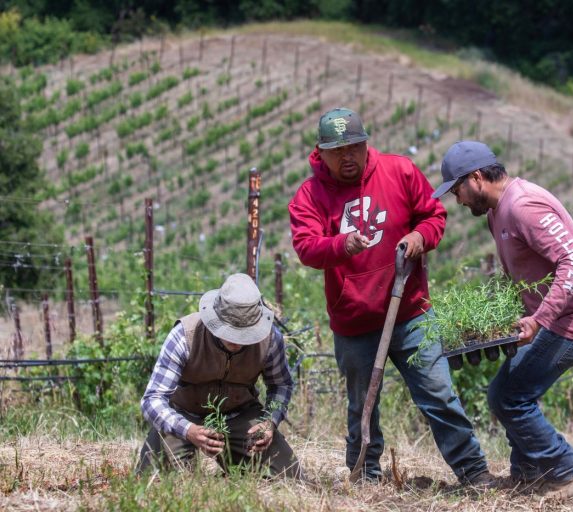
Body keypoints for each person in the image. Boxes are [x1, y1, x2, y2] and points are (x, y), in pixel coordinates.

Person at [288, 108, 491, 485]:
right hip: (354, 322)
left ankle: (474, 473)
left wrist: (419, 237)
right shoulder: (310, 195)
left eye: (354, 147)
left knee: (439, 395)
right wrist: (341, 244)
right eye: (337, 150)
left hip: (410, 312)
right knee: (361, 408)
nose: (347, 156)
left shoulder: (399, 171)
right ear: (320, 152)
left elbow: (433, 217)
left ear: (366, 144)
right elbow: (306, 247)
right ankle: (364, 476)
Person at [433, 141, 573, 499]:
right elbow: (524, 273)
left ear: (477, 178)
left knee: (510, 396)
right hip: (552, 320)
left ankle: (565, 473)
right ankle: (529, 474)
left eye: (458, 190)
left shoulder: (523, 206)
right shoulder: (498, 211)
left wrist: (539, 318)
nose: (459, 200)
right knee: (507, 393)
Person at [136, 273, 301, 478]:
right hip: (184, 415)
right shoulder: (184, 335)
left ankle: (238, 467)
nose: (236, 341)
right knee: (153, 480)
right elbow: (152, 400)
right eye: (230, 332)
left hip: (240, 414)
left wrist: (269, 422)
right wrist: (187, 429)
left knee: (289, 476)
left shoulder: (270, 339)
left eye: (245, 334)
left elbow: (281, 385)